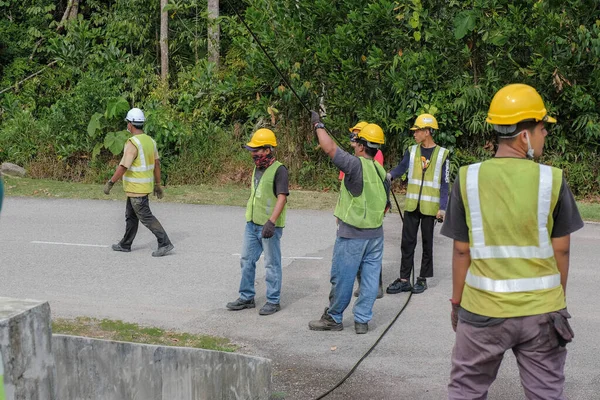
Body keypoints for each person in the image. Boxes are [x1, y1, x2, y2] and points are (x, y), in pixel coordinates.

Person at [442, 83, 583, 399]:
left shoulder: (468, 178)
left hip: (481, 311)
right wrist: (555, 303)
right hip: (542, 314)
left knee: (466, 390)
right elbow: (561, 248)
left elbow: (461, 249)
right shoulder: (552, 180)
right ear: (524, 135)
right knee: (546, 393)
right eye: (542, 128)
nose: (545, 134)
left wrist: (457, 303)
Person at [308, 111, 389, 334]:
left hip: (352, 234)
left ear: (363, 146)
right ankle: (362, 320)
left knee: (343, 277)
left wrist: (318, 124)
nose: (353, 143)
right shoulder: (382, 172)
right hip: (376, 236)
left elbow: (330, 148)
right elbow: (386, 205)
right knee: (370, 279)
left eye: (356, 140)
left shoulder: (355, 166)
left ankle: (334, 317)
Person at [226, 128, 289, 316]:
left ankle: (273, 300)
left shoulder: (280, 170)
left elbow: (282, 197)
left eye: (257, 150)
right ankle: (246, 297)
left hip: (269, 226)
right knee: (246, 259)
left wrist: (272, 222)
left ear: (268, 150)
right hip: (252, 223)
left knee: (271, 263)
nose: (253, 154)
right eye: (252, 150)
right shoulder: (257, 167)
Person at [386, 114, 449, 294]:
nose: (414, 134)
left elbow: (445, 183)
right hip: (413, 205)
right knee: (407, 242)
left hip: (430, 208)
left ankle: (422, 278)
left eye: (418, 130)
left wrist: (442, 207)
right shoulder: (412, 150)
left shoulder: (442, 154)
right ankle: (404, 279)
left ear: (427, 132)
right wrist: (390, 175)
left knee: (427, 243)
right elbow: (401, 167)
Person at [103, 108, 174, 257]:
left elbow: (123, 166)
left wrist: (111, 182)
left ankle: (165, 242)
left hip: (137, 188)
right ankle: (125, 244)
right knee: (131, 216)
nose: (127, 125)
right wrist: (158, 184)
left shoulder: (132, 143)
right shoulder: (150, 141)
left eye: (127, 123)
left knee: (146, 217)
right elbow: (157, 164)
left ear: (130, 124)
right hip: (141, 187)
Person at [343, 121, 386, 299]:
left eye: (355, 134)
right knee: (365, 254)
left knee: (369, 254)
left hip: (368, 212)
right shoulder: (354, 159)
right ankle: (364, 285)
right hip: (356, 209)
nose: (352, 137)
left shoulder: (371, 158)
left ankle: (376, 286)